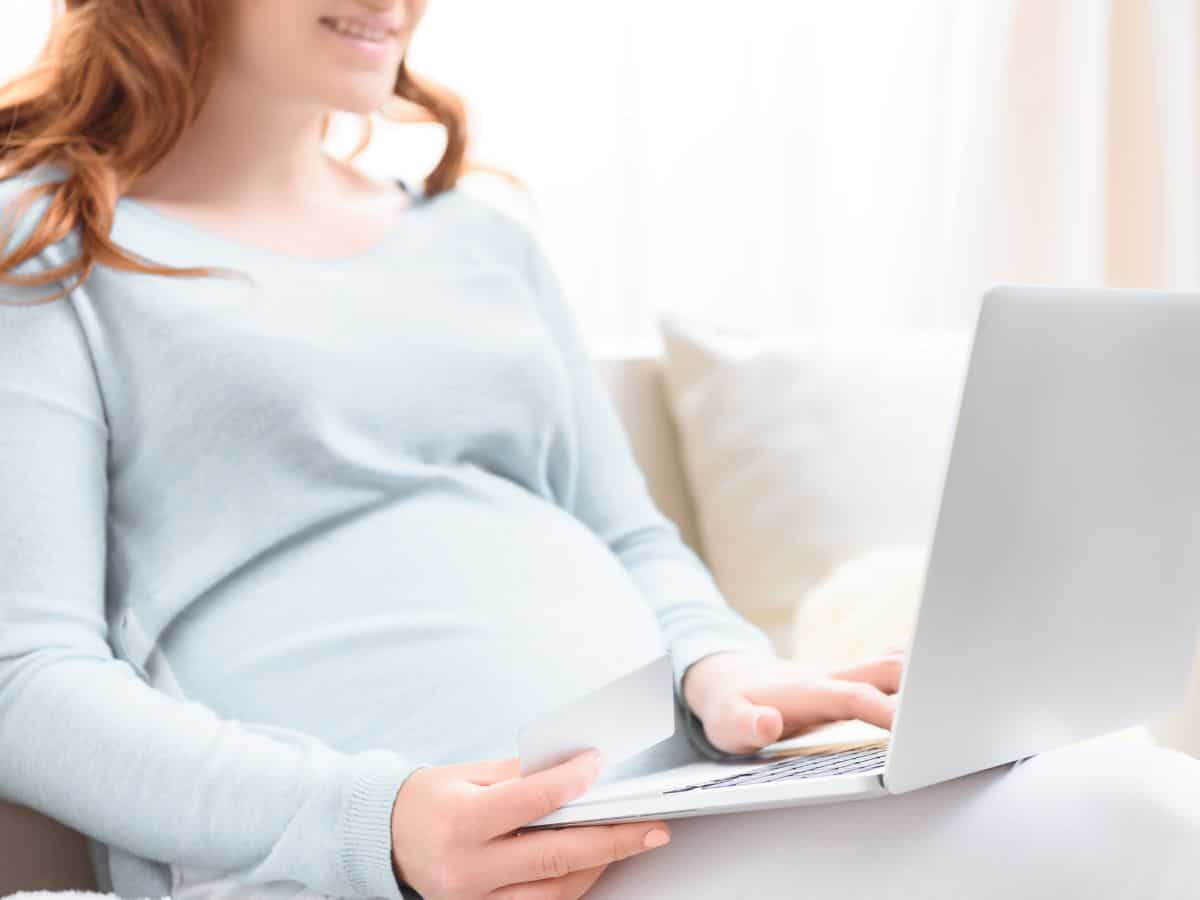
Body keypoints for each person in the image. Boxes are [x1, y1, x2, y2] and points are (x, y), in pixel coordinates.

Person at [1, 3, 1197, 899]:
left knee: (1138, 805)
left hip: (673, 800)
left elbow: (629, 535)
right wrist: (379, 825)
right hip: (416, 857)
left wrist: (719, 669)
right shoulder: (51, 242)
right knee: (1136, 824)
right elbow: (26, 680)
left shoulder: (478, 237)